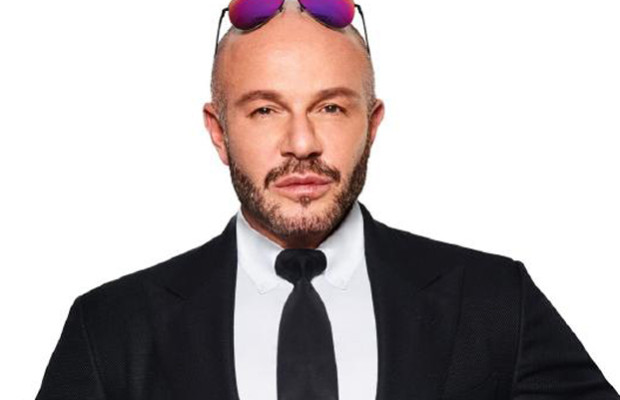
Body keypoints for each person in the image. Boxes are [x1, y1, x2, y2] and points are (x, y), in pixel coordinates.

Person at [35, 1, 619, 399]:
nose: (301, 143)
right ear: (218, 131)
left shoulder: (495, 301)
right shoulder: (109, 328)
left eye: (331, 107)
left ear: (372, 123)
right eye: (265, 109)